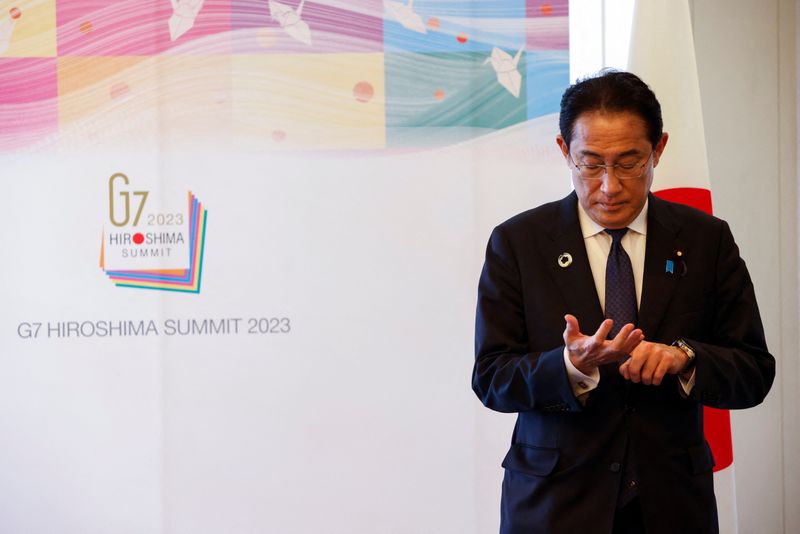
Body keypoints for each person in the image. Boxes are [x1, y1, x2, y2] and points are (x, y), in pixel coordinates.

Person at [472, 70, 775, 534]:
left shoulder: (705, 240)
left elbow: (753, 371)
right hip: (555, 508)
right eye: (590, 164)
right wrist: (570, 367)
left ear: (658, 150)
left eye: (629, 162)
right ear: (563, 152)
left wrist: (685, 358)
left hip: (673, 505)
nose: (609, 186)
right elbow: (492, 377)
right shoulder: (519, 242)